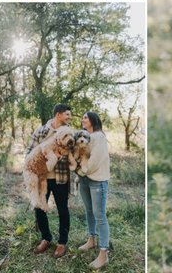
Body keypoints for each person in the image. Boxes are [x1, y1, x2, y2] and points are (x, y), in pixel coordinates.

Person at [26, 103, 74, 258]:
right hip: (42, 178)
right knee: (39, 208)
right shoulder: (41, 131)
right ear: (58, 114)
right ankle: (46, 238)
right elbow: (29, 152)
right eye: (67, 114)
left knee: (63, 209)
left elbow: (73, 153)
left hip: (60, 178)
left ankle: (62, 242)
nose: (69, 117)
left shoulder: (69, 133)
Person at [76, 111, 111, 269]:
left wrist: (81, 171)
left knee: (100, 216)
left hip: (97, 181)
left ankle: (103, 254)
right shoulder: (86, 136)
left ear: (93, 120)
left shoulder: (99, 136)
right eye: (82, 117)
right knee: (89, 211)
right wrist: (80, 175)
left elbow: (95, 160)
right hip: (85, 179)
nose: (83, 119)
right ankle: (91, 239)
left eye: (86, 117)